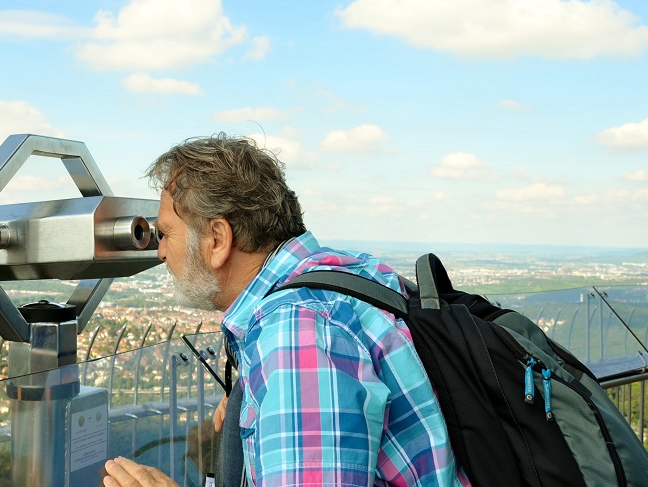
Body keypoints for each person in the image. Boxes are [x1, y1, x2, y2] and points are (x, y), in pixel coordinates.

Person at [103, 134, 467, 487]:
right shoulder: (341, 276)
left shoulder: (297, 333)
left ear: (217, 239)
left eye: (166, 233)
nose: (160, 252)